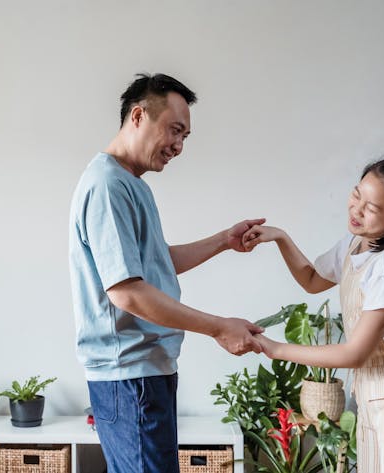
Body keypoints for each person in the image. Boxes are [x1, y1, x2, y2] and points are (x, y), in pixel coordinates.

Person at [68, 73, 266, 473]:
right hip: (131, 378)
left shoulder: (131, 184)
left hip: (144, 374)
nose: (178, 145)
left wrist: (224, 240)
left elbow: (154, 265)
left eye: (185, 137)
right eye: (174, 130)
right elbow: (127, 292)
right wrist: (217, 327)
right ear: (138, 115)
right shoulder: (107, 185)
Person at [242, 158, 384, 473]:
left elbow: (354, 353)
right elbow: (312, 280)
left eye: (372, 208)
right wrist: (281, 237)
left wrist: (274, 348)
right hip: (377, 393)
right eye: (357, 195)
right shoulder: (356, 244)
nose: (356, 210)